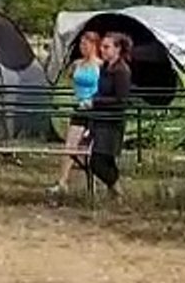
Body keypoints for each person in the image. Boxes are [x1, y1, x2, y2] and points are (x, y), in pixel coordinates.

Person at [49, 31, 103, 197]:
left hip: (94, 109)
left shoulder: (101, 65)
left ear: (94, 46)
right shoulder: (76, 64)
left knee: (90, 148)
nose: (82, 47)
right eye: (81, 44)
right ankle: (62, 181)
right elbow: (69, 79)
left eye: (86, 44)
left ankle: (93, 182)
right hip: (79, 108)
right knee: (69, 145)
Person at [82, 32, 132, 199]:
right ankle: (116, 196)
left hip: (112, 122)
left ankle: (118, 190)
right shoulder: (105, 68)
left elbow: (121, 99)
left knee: (97, 162)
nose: (102, 50)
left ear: (117, 49)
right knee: (105, 160)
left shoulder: (122, 71)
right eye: (102, 47)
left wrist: (96, 102)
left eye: (106, 47)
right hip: (100, 119)